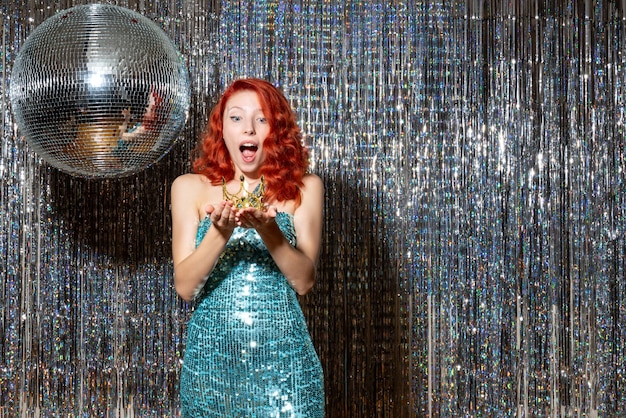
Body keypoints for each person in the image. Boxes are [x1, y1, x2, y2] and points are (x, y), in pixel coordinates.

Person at [171, 78, 325, 416]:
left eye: (262, 119)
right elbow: (185, 287)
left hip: (287, 371)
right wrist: (219, 234)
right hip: (210, 371)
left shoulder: (304, 188)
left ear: (277, 130)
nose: (249, 129)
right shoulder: (189, 188)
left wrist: (269, 231)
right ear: (222, 130)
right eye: (236, 118)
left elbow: (304, 281)